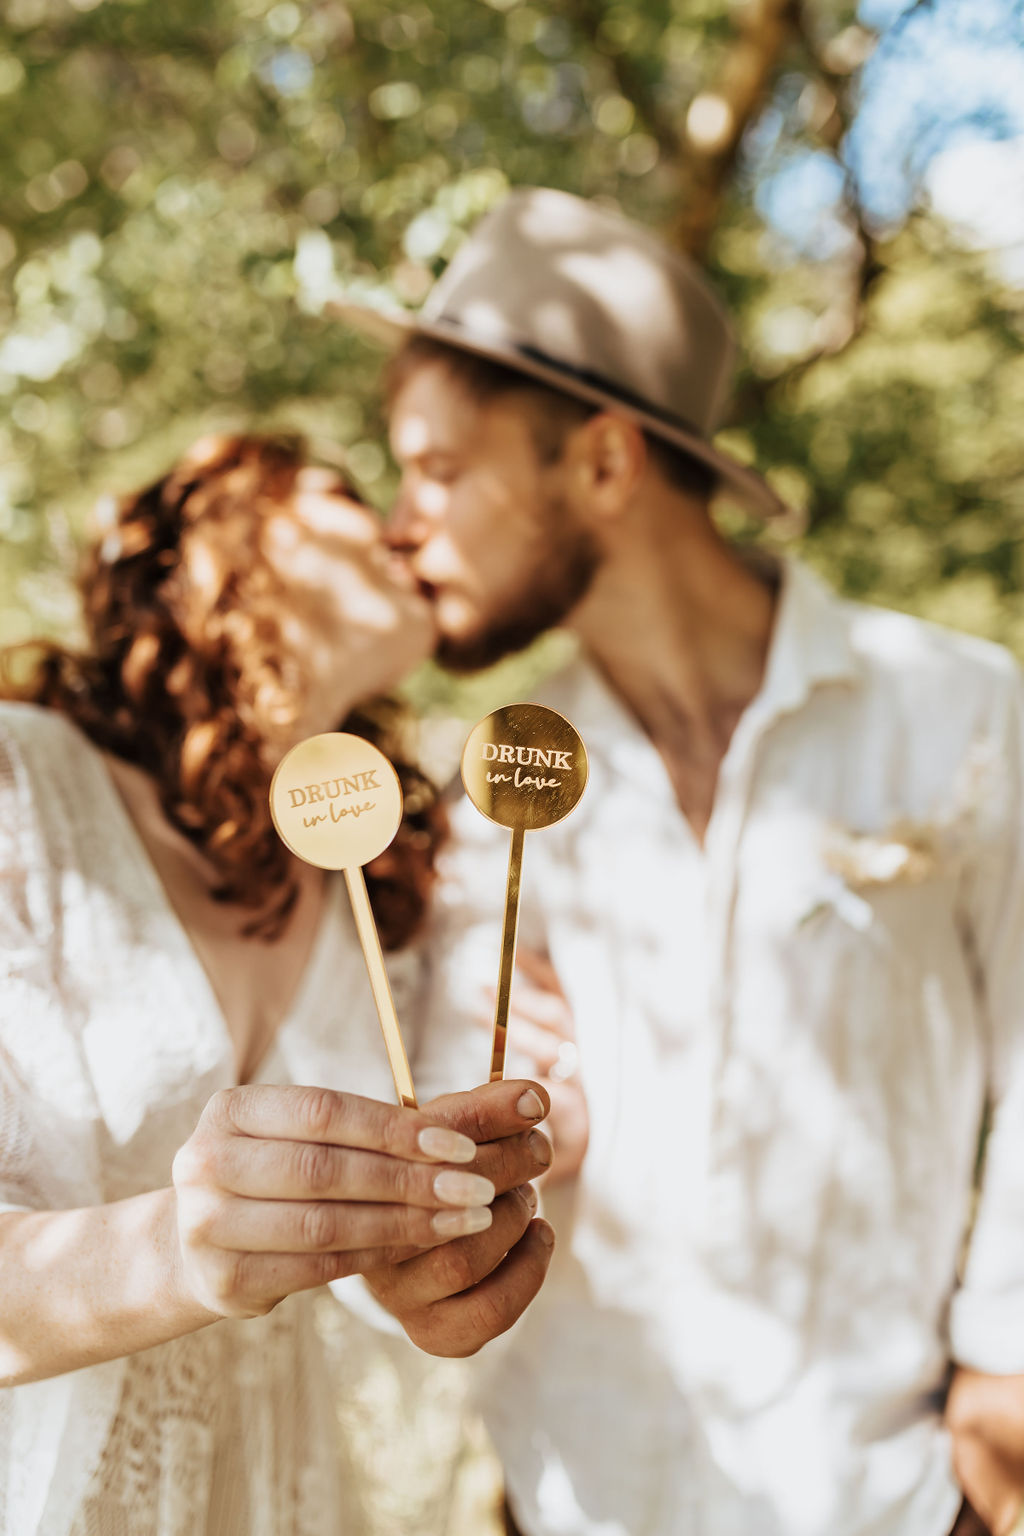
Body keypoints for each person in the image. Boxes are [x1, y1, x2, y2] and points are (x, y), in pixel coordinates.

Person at [334, 188, 1024, 1536]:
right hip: (576, 1496)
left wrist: (1010, 1357)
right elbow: (423, 1118)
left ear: (600, 463)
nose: (400, 522)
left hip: (897, 1493)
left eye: (437, 470)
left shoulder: (963, 710)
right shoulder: (483, 786)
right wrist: (488, 1154)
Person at [0, 433, 555, 1536]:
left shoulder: (392, 885)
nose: (404, 524)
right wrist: (179, 1247)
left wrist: (419, 1267)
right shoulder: (19, 782)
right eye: (347, 493)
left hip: (279, 1499)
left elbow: (360, 1253)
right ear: (216, 540)